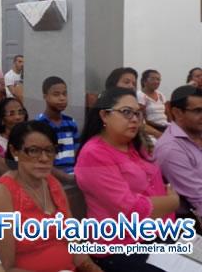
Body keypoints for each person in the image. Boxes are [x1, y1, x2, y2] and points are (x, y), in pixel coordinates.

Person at [74, 87, 178, 271]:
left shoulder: (133, 146)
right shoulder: (94, 154)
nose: (134, 119)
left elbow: (156, 188)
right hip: (121, 246)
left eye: (137, 113)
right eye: (126, 112)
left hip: (156, 235)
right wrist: (172, 202)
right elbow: (130, 209)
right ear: (104, 116)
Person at [0, 121, 99, 272]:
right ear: (14, 151)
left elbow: (75, 246)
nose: (44, 158)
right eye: (34, 151)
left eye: (49, 150)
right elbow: (6, 267)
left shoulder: (53, 184)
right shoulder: (2, 194)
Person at [154, 85, 202, 218]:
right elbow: (198, 197)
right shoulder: (171, 149)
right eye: (198, 111)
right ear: (177, 113)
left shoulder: (197, 133)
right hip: (189, 221)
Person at [36, 76, 79, 182]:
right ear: (45, 97)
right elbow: (40, 162)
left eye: (64, 94)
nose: (62, 98)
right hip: (51, 179)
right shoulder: (39, 125)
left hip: (75, 175)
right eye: (56, 94)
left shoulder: (71, 122)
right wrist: (67, 178)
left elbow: (78, 153)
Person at [138, 69, 170, 133]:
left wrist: (172, 126)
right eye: (152, 79)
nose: (156, 82)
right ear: (144, 81)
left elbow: (167, 114)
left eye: (158, 79)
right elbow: (143, 119)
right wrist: (160, 127)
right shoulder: (140, 95)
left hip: (165, 126)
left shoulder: (160, 95)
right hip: (152, 129)